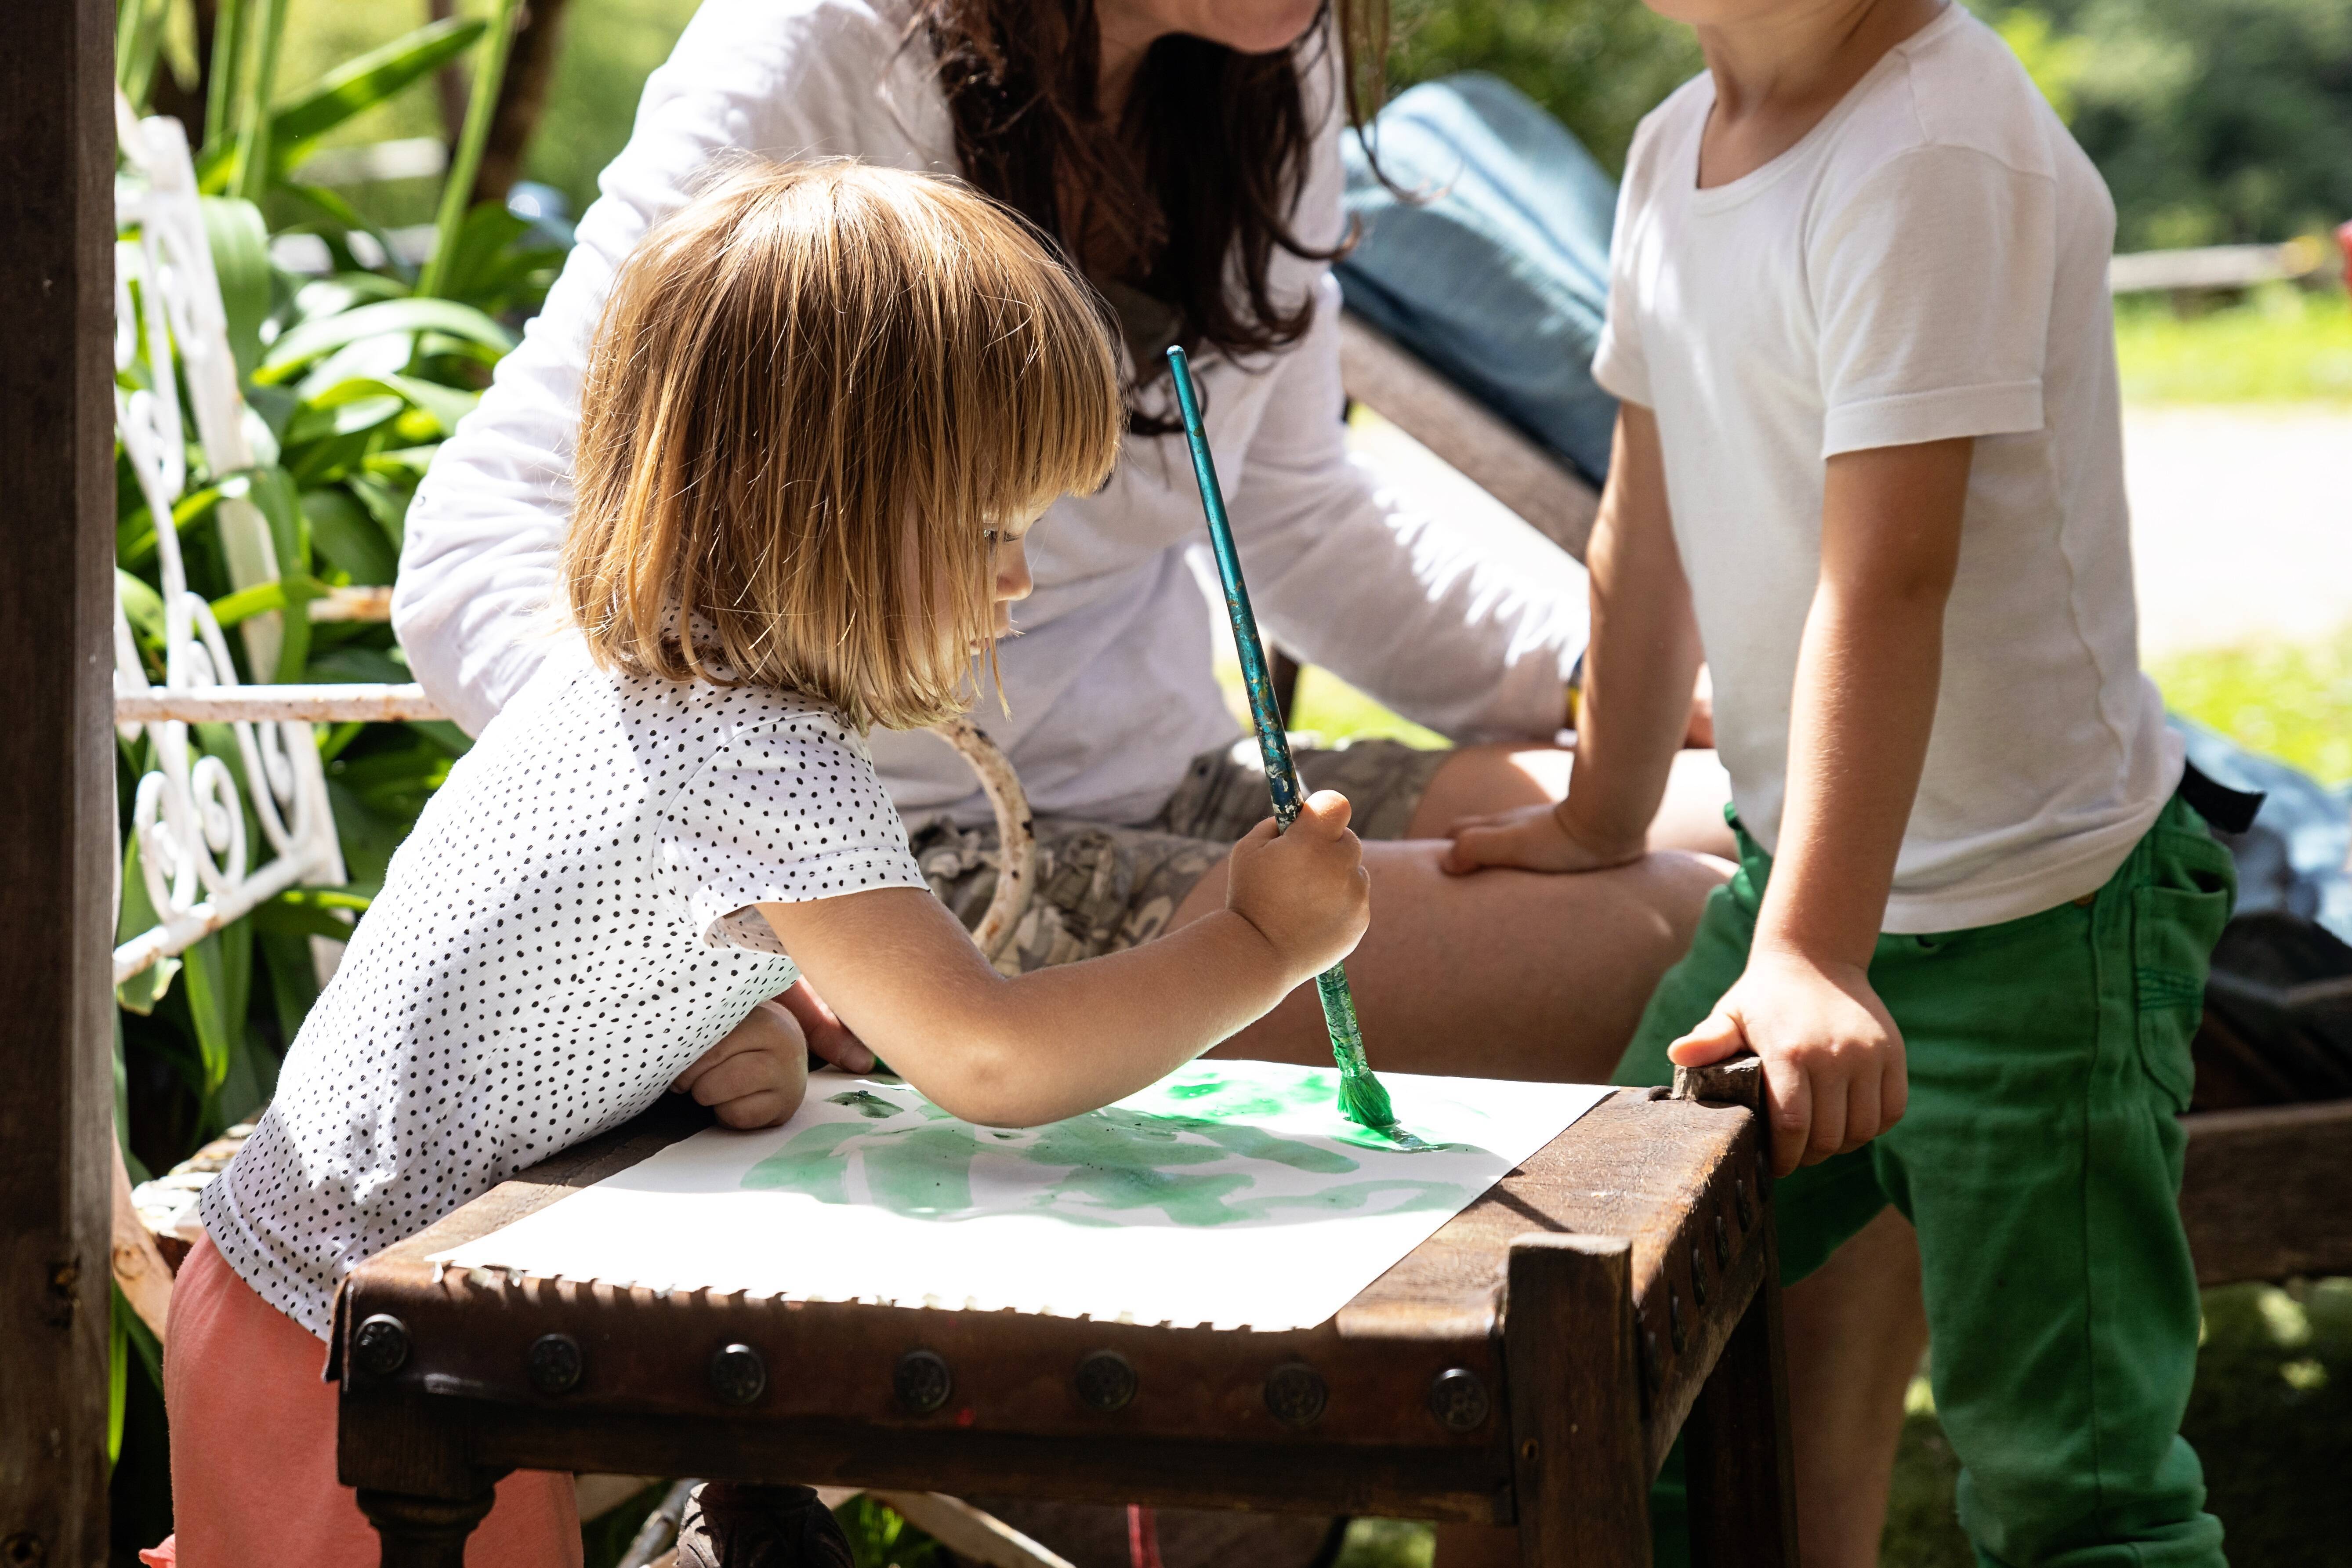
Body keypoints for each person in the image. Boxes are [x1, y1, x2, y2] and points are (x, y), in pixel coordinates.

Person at [159, 163, 1372, 1568]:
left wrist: (734, 1022)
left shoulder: (649, 677)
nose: (1019, 580)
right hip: (355, 1357)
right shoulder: (757, 762)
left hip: (309, 1305)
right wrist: (1259, 944)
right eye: (986, 528)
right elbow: (987, 1061)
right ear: (822, 511)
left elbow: (583, 957)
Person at [392, 0, 1734, 1091]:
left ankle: (1752, 1432)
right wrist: (754, 871)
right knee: (1686, 928)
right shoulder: (819, 58)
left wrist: (1605, 686)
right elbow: (480, 543)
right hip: (915, 873)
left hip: (1167, 784)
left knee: (1770, 829)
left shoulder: (1268, 66)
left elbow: (1300, 511)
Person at [1442, 1, 2233, 1564]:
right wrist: (1606, 811)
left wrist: (1812, 952)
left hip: (2037, 928)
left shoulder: (1932, 147)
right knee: (1604, 1354)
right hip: (1790, 898)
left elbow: (1890, 580)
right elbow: (1641, 528)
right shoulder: (1675, 143)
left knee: (2070, 1480)